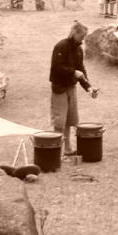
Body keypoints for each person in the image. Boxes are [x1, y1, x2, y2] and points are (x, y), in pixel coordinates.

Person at [49, 21, 94, 153]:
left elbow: (81, 69)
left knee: (70, 120)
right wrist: (73, 72)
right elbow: (56, 68)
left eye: (84, 36)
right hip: (59, 88)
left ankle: (67, 149)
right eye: (82, 36)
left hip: (71, 87)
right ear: (74, 33)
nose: (83, 39)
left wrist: (88, 87)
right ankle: (56, 151)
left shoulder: (79, 49)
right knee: (59, 121)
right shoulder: (60, 46)